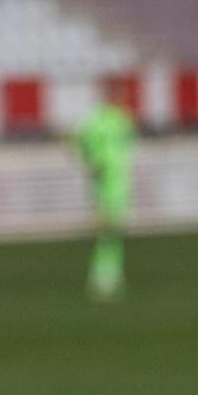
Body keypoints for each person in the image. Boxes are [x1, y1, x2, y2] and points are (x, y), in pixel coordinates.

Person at [73, 77, 137, 301]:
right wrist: (91, 161)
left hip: (121, 181)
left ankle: (110, 274)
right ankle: (102, 276)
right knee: (107, 228)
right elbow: (78, 142)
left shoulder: (123, 119)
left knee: (115, 229)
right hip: (102, 181)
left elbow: (127, 148)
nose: (117, 96)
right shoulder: (94, 120)